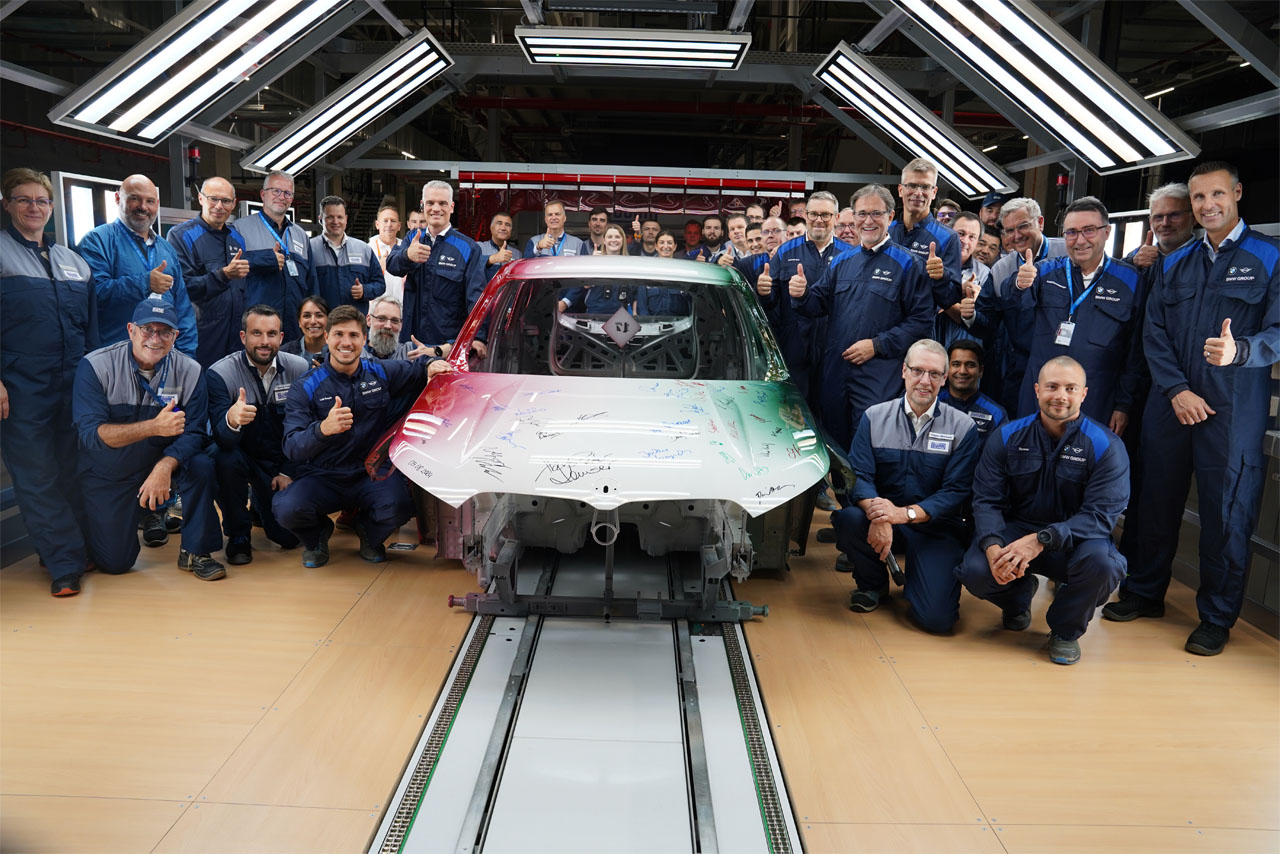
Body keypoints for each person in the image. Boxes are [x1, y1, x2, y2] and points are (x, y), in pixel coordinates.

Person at [1106, 161, 1279, 656]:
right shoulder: (1175, 262)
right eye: (1199, 199)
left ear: (1238, 193)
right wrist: (1177, 390)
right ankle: (1144, 592)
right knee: (1155, 502)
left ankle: (1216, 617)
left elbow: (1278, 332)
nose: (1208, 206)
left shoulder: (1269, 257)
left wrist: (1241, 351)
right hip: (1171, 402)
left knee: (1228, 512)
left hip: (1233, 407)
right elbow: (1153, 334)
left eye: (1217, 195)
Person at [956, 356, 1128, 665]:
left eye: (1070, 388)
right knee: (976, 570)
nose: (1060, 395)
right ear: (1037, 390)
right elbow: (986, 499)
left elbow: (1100, 517)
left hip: (1076, 539)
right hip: (1017, 530)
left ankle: (1064, 629)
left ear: (1084, 394)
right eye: (1052, 386)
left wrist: (1042, 539)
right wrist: (994, 545)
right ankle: (1017, 598)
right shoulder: (1007, 436)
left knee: (1105, 565)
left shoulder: (1106, 445)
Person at [274, 305, 454, 566]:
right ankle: (317, 536)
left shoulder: (379, 371)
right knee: (286, 509)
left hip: (369, 474)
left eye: (353, 335)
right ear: (327, 337)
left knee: (400, 506)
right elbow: (292, 447)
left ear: (364, 338)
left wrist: (432, 363)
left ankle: (369, 534)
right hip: (323, 476)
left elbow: (416, 370)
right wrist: (322, 430)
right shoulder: (306, 386)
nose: (346, 342)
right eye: (338, 335)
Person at [72, 297, 225, 581]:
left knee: (202, 465)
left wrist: (165, 466)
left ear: (175, 336)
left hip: (162, 460)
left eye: (165, 331)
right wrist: (153, 427)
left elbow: (194, 433)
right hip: (111, 469)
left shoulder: (190, 370)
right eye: (147, 329)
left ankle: (196, 551)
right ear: (130, 330)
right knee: (116, 563)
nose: (155, 339)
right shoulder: (95, 366)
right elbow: (91, 435)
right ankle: (142, 515)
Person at [834, 339, 982, 631]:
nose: (925, 381)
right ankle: (873, 584)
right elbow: (859, 477)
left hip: (935, 528)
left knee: (937, 621)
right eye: (917, 371)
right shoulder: (874, 417)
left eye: (935, 374)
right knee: (850, 518)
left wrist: (903, 515)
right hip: (885, 520)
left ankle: (920, 582)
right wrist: (880, 514)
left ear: (944, 378)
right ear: (903, 371)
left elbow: (955, 492)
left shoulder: (963, 428)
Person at [776, 184, 934, 454]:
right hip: (836, 373)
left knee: (871, 441)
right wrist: (801, 295)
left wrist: (878, 344)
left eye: (876, 214)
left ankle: (867, 495)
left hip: (879, 374)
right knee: (834, 441)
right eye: (861, 214)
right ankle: (840, 495)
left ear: (890, 217)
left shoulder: (908, 264)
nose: (868, 221)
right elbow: (816, 304)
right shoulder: (841, 261)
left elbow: (921, 321)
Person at [0, 167, 97, 596]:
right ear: (6, 205)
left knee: (72, 468)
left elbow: (90, 332)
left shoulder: (73, 261)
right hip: (21, 386)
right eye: (23, 200)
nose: (33, 208)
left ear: (52, 207)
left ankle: (67, 547)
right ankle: (64, 562)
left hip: (72, 383)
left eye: (40, 201)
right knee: (37, 474)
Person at [1000, 197, 1144, 430]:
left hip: (1097, 399)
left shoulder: (1129, 280)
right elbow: (1010, 298)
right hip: (1040, 398)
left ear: (1106, 232)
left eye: (1089, 231)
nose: (1080, 240)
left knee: (1087, 462)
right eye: (1071, 233)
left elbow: (1135, 353)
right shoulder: (1046, 272)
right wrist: (1018, 282)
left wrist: (1123, 405)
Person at [206, 305, 310, 565]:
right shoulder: (220, 374)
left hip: (278, 461)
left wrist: (288, 471)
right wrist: (232, 420)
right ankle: (238, 533)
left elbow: (306, 429)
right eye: (256, 333)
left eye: (271, 334)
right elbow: (221, 438)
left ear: (281, 338)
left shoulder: (300, 368)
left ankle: (262, 506)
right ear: (243, 337)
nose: (264, 342)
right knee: (222, 458)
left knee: (288, 538)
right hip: (239, 455)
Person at [77, 174, 197, 358]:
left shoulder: (166, 249)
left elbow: (183, 310)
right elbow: (95, 294)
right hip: (116, 359)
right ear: (118, 199)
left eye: (149, 201)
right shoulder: (97, 241)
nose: (143, 207)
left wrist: (186, 357)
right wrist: (145, 283)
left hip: (163, 358)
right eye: (135, 199)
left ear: (157, 204)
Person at [973, 197, 1067, 412]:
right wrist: (970, 315)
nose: (1017, 236)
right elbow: (988, 321)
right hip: (1023, 369)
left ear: (1040, 222)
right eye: (1009, 230)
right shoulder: (1000, 270)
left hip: (1066, 365)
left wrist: (1135, 259)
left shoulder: (1068, 252)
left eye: (1023, 226)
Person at [387, 180, 487, 352]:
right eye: (430, 203)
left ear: (452, 207)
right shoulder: (413, 239)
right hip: (411, 341)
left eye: (442, 203)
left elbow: (477, 299)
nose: (436, 208)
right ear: (422, 205)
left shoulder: (468, 248)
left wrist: (479, 337)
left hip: (447, 345)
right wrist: (407, 255)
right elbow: (392, 265)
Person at [167, 176, 247, 367]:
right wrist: (223, 275)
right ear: (201, 198)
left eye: (226, 201)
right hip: (201, 336)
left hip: (236, 335)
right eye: (213, 199)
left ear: (234, 204)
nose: (219, 206)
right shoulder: (180, 236)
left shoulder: (237, 237)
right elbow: (183, 287)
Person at [233, 170, 318, 341]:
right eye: (276, 191)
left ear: (292, 199)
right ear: (263, 194)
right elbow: (231, 267)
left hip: (295, 327)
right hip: (259, 327)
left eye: (287, 193)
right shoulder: (240, 229)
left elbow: (311, 282)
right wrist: (266, 259)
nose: (282, 196)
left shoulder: (300, 234)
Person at [889, 158, 962, 313]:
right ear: (901, 189)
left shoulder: (948, 238)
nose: (918, 193)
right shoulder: (886, 232)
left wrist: (941, 277)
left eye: (925, 187)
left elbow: (950, 299)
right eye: (912, 185)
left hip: (920, 330)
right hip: (881, 326)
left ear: (934, 192)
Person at [311, 195, 385, 316]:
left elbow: (380, 284)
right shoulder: (310, 250)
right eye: (330, 217)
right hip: (323, 324)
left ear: (346, 219)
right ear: (320, 219)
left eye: (339, 217)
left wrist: (364, 291)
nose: (336, 222)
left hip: (355, 323)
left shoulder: (364, 250)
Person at [934, 211, 992, 348]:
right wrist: (957, 295)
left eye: (972, 237)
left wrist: (939, 294)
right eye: (960, 233)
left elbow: (973, 319)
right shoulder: (933, 262)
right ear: (948, 232)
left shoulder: (984, 274)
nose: (965, 241)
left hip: (963, 347)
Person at [937, 339, 1006, 440]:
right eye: (956, 364)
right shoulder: (932, 404)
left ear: (981, 371)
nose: (962, 371)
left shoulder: (995, 414)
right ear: (946, 369)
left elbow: (998, 454)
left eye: (970, 365)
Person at [369, 205, 404, 303]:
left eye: (393, 221)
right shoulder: (367, 249)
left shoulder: (406, 250)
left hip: (403, 309)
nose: (389, 224)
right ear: (377, 224)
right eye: (385, 221)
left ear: (399, 226)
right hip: (376, 311)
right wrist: (378, 269)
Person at [281, 295, 329, 363]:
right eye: (307, 316)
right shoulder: (284, 354)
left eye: (319, 316)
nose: (313, 321)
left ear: (328, 320)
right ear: (299, 322)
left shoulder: (339, 352)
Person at [479, 210, 522, 282]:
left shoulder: (517, 254)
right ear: (491, 227)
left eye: (507, 225)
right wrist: (493, 259)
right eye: (499, 223)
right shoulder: (479, 247)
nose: (503, 228)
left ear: (511, 230)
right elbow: (471, 267)